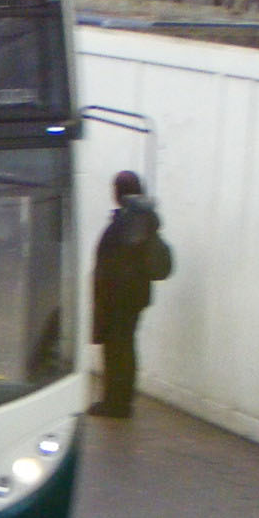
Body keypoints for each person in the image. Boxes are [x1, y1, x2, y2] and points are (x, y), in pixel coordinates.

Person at [89, 170, 169, 418]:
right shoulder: (137, 215)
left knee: (118, 349)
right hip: (129, 296)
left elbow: (122, 257)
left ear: (120, 191)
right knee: (122, 347)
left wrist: (108, 291)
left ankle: (117, 403)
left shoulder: (133, 217)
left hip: (121, 297)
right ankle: (118, 400)